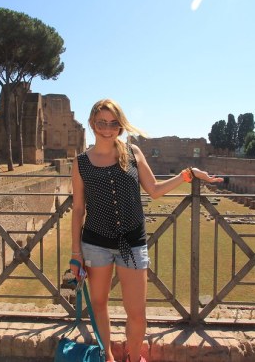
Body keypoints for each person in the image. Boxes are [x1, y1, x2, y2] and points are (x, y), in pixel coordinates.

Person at [70, 98, 224, 362]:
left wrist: (188, 174)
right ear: (92, 124)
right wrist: (76, 253)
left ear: (120, 125)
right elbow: (78, 210)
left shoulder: (133, 153)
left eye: (113, 123)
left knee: (137, 313)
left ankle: (131, 357)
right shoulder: (81, 162)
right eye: (101, 123)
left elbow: (154, 190)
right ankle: (107, 356)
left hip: (132, 244)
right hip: (95, 244)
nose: (107, 129)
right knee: (98, 305)